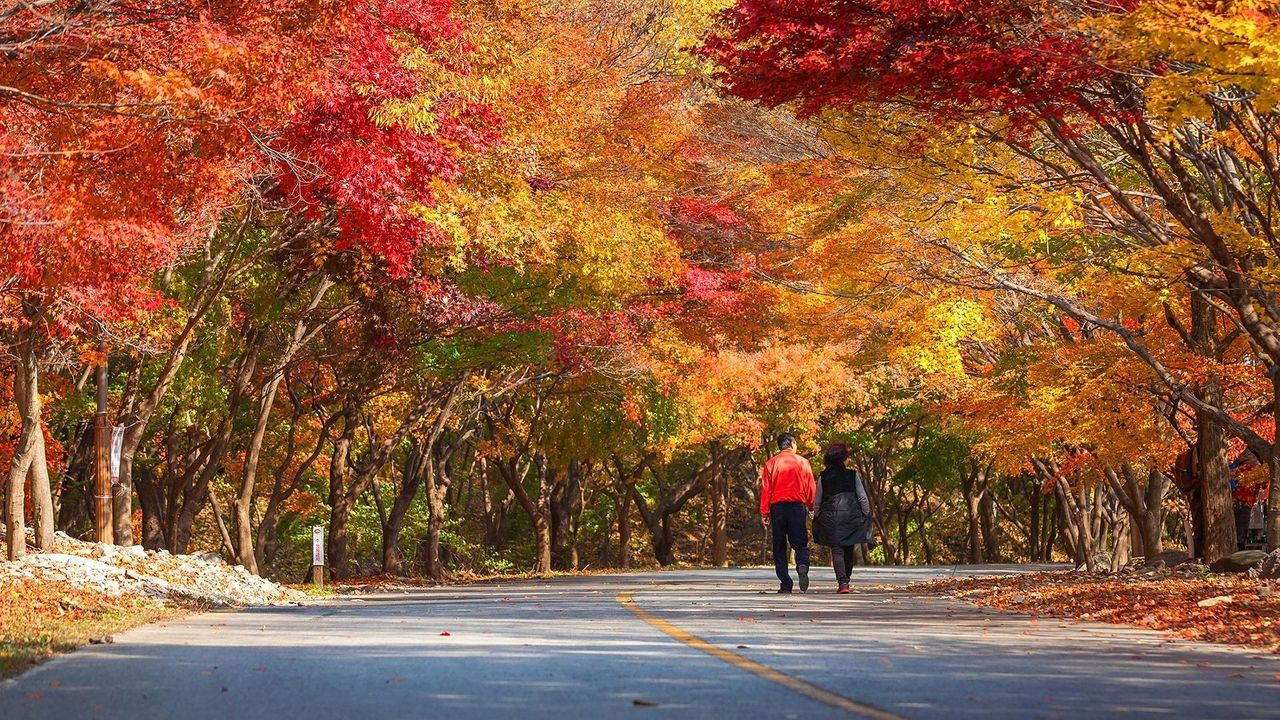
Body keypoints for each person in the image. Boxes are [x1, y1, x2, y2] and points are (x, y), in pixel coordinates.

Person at [811, 442, 872, 593]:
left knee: (836, 549)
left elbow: (817, 501)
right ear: (844, 458)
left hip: (831, 517)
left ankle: (842, 583)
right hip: (851, 516)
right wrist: (866, 512)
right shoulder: (852, 475)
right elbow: (862, 497)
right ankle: (846, 580)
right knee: (849, 548)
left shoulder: (823, 477)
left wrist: (817, 515)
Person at [760, 432, 816, 593]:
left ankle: (785, 583)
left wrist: (765, 513)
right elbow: (810, 487)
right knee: (799, 542)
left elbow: (766, 490)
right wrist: (811, 507)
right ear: (791, 444)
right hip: (797, 506)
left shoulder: (771, 463)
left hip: (777, 508)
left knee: (779, 546)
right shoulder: (803, 462)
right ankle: (802, 564)